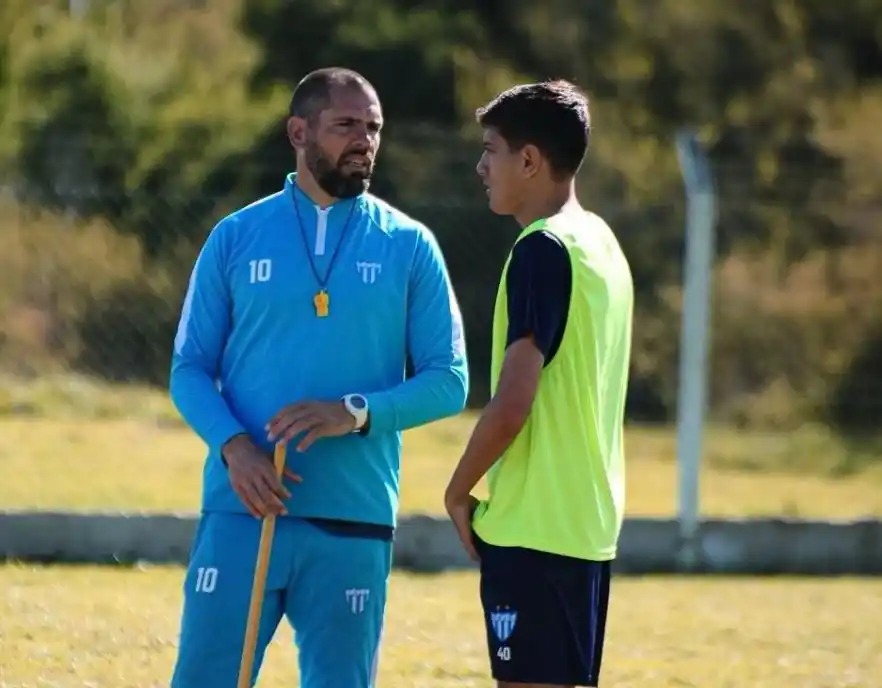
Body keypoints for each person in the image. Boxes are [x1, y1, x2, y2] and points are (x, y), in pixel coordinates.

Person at [168, 66, 469, 688]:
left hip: (354, 520)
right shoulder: (235, 237)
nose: (365, 140)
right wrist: (235, 448)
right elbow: (189, 369)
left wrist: (354, 411)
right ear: (299, 132)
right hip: (242, 513)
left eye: (374, 128)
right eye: (346, 126)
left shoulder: (410, 246)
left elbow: (450, 379)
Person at [444, 79, 634, 688]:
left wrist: (458, 488)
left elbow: (513, 403)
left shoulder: (542, 248)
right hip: (587, 527)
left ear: (529, 160)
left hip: (534, 530)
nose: (480, 167)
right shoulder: (602, 244)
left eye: (491, 150)